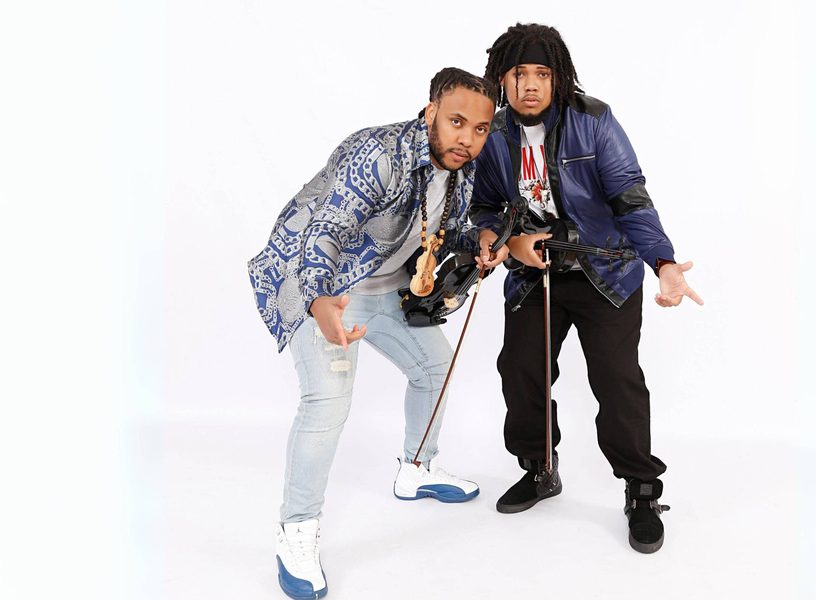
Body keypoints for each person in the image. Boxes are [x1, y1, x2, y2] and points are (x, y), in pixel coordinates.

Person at [247, 67, 507, 599]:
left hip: (384, 287)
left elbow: (446, 229)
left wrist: (482, 240)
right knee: (327, 402)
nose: (467, 138)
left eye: (480, 129)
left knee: (435, 368)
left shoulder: (461, 168)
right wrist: (318, 301)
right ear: (431, 111)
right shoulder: (379, 153)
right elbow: (326, 230)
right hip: (321, 284)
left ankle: (416, 469)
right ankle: (296, 529)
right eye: (457, 121)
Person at [468, 24, 703, 554]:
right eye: (519, 74)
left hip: (606, 271)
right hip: (535, 275)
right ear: (501, 78)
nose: (530, 85)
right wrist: (504, 240)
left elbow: (629, 195)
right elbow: (483, 207)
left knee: (617, 381)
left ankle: (641, 490)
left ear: (558, 77)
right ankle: (539, 468)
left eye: (541, 74)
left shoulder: (593, 120)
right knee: (520, 370)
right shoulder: (495, 134)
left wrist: (663, 262)